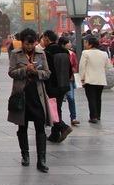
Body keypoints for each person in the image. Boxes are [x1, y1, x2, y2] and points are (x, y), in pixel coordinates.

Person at [8, 28, 51, 173]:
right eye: (27, 44)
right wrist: (25, 70)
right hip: (22, 95)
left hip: (37, 96)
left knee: (40, 128)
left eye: (32, 44)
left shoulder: (41, 54)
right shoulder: (15, 54)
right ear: (22, 42)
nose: (30, 46)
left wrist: (36, 72)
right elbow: (11, 72)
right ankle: (25, 155)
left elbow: (47, 73)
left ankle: (41, 160)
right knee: (22, 127)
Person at [40, 30, 72, 143]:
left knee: (51, 109)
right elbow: (70, 68)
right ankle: (55, 134)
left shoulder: (46, 52)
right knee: (57, 108)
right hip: (64, 84)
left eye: (43, 38)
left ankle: (63, 127)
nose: (42, 41)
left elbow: (43, 70)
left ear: (47, 38)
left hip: (52, 85)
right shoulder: (65, 51)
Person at [79, 35, 110, 123]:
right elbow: (108, 66)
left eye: (86, 42)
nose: (85, 44)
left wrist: (82, 78)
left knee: (91, 98)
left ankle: (93, 117)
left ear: (90, 44)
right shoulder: (104, 53)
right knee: (98, 98)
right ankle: (98, 115)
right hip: (101, 80)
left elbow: (82, 67)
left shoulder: (85, 53)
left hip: (89, 80)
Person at [59, 36, 80, 126]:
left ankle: (73, 117)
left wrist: (73, 71)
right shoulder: (58, 54)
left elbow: (75, 65)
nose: (70, 44)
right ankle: (57, 118)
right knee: (58, 100)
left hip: (69, 79)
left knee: (71, 98)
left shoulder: (72, 54)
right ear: (63, 44)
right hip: (59, 80)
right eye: (68, 42)